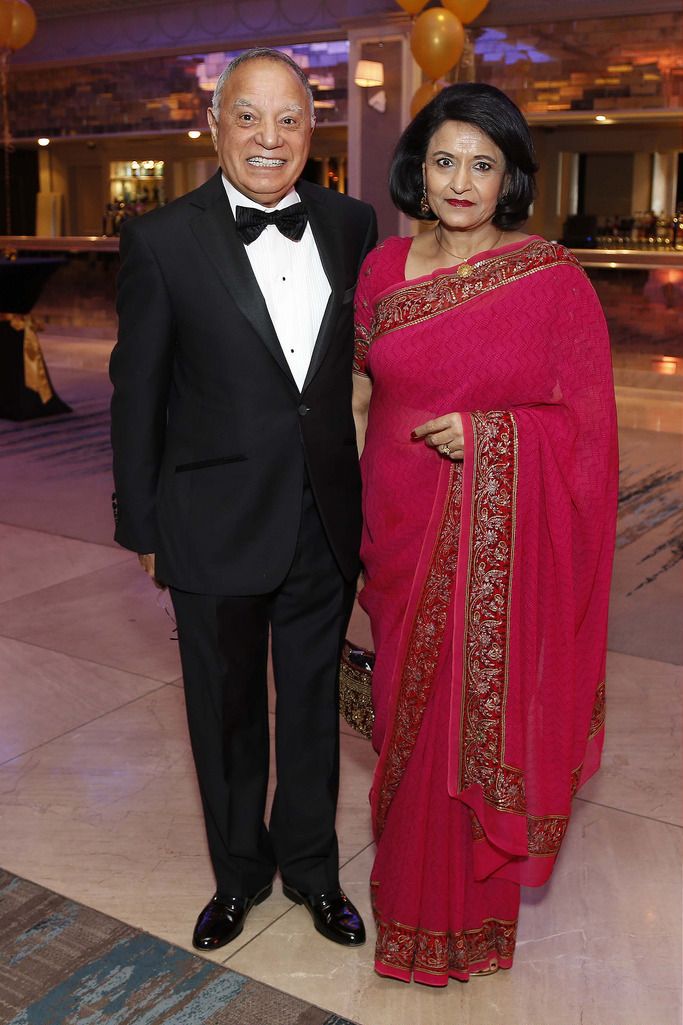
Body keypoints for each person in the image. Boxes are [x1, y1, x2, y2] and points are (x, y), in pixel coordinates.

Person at [110, 48, 377, 951]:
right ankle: (238, 875)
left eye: (290, 119)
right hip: (210, 522)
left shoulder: (350, 223)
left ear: (314, 130)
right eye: (249, 118)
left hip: (321, 519)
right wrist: (141, 524)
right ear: (215, 124)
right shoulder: (161, 239)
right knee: (224, 713)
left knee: (310, 706)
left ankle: (309, 868)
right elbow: (137, 393)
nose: (270, 138)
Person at [352, 83, 617, 985]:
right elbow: (360, 396)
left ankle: (462, 926)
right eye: (443, 159)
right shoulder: (381, 270)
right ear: (415, 169)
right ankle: (404, 906)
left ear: (507, 179)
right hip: (391, 530)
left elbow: (586, 435)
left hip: (488, 540)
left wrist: (492, 436)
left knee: (470, 725)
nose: (460, 181)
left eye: (482, 164)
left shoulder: (550, 279)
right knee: (399, 721)